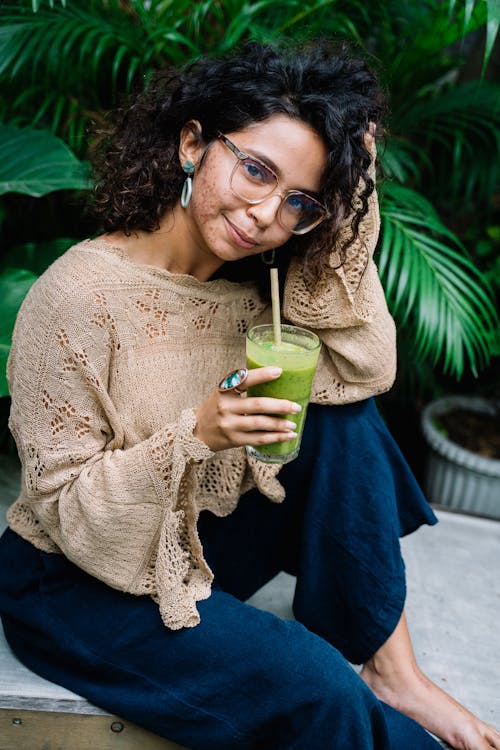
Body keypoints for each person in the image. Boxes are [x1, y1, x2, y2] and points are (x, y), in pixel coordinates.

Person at [0, 40, 498, 750]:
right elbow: (69, 513)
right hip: (70, 583)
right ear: (192, 143)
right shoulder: (79, 297)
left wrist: (355, 193)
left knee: (344, 417)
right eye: (256, 170)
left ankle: (396, 673)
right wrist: (197, 435)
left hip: (189, 539)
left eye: (299, 201)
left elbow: (361, 373)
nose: (267, 212)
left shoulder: (253, 301)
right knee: (314, 681)